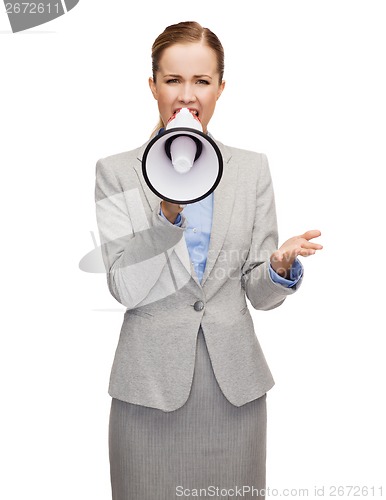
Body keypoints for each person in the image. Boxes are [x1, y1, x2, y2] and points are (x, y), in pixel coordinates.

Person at [95, 21, 323, 500]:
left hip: (233, 394)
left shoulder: (251, 169)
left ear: (221, 87)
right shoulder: (116, 173)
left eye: (202, 80)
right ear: (152, 84)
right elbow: (125, 288)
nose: (187, 95)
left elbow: (259, 296)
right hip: (148, 394)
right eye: (173, 79)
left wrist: (278, 269)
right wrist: (167, 214)